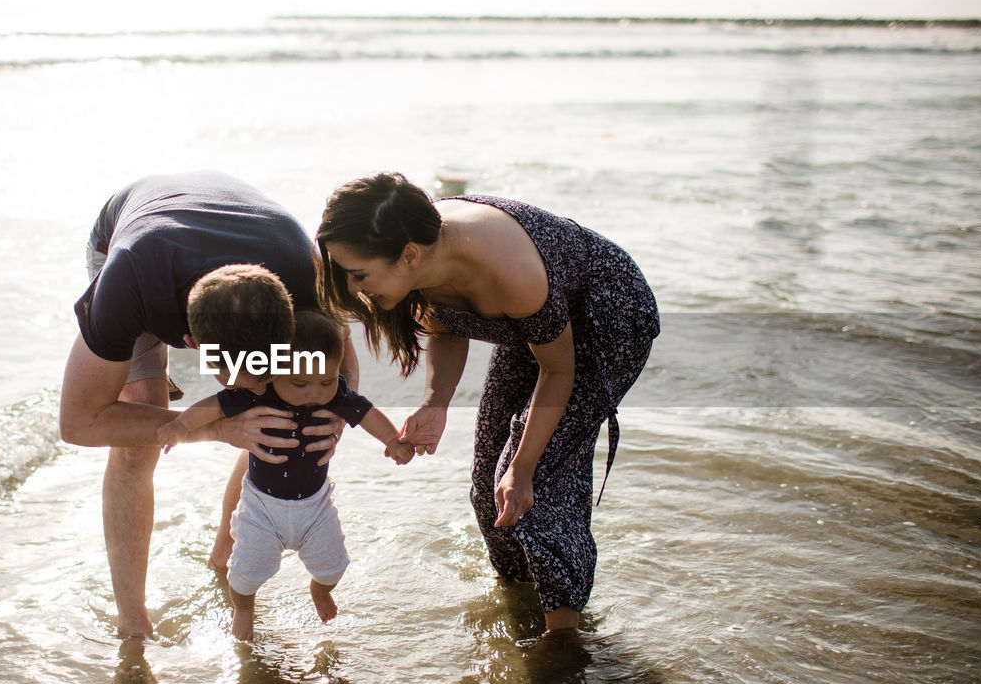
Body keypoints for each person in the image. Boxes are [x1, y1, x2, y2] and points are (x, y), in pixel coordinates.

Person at [315, 172, 659, 634]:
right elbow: (446, 323)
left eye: (359, 275)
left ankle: (563, 639)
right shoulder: (413, 245)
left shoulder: (508, 273)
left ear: (409, 257)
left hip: (606, 317)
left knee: (532, 480)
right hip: (537, 324)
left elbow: (559, 370)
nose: (355, 287)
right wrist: (435, 401)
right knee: (487, 482)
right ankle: (522, 599)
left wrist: (523, 465)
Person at [59, 170, 357, 639]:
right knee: (139, 437)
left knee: (282, 407)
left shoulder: (300, 273)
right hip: (136, 235)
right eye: (236, 372)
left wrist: (333, 415)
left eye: (265, 365)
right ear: (191, 341)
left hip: (257, 235)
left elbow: (341, 360)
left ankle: (227, 547)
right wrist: (215, 429)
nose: (248, 385)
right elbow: (79, 422)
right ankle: (132, 620)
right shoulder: (127, 285)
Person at [158, 310, 415, 640]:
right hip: (261, 509)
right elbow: (215, 405)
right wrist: (179, 427)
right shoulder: (257, 391)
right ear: (274, 371)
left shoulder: (336, 393)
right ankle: (244, 608)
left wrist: (393, 440)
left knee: (334, 567)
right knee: (245, 576)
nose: (314, 392)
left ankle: (319, 592)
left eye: (325, 381)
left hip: (316, 507)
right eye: (300, 383)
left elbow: (367, 413)